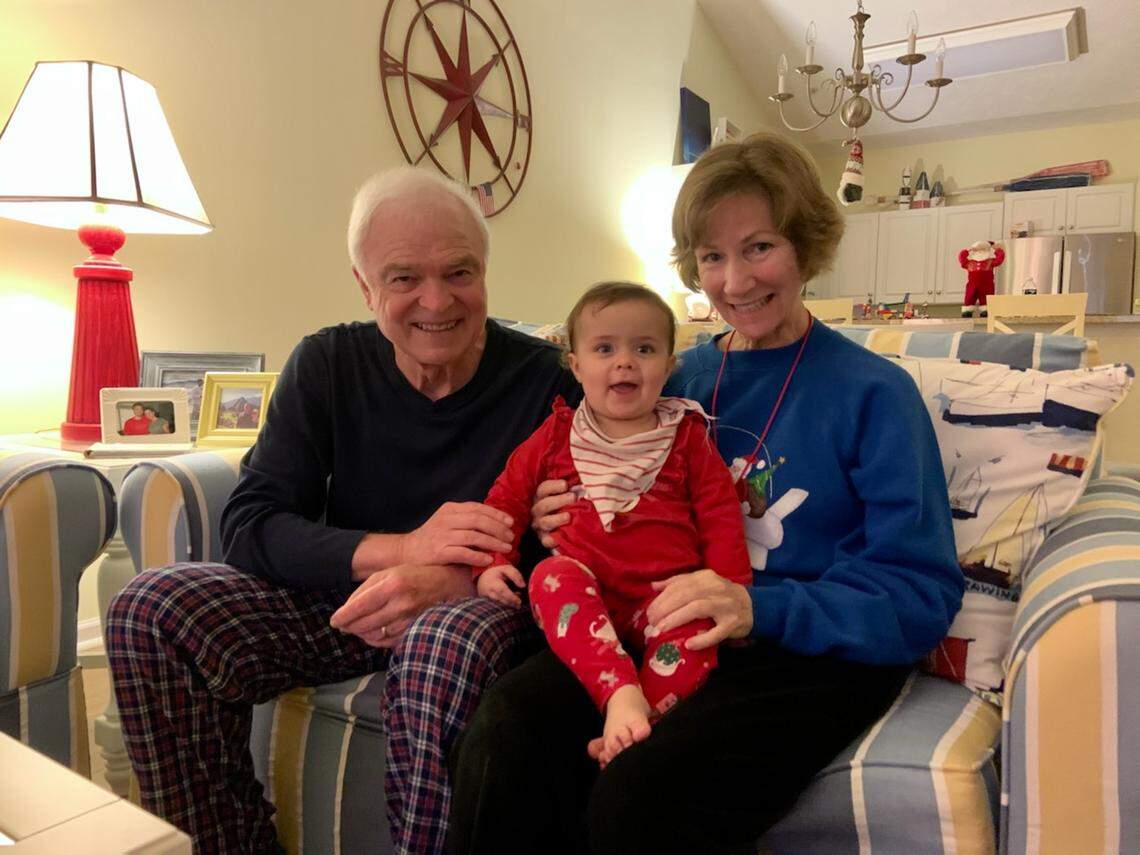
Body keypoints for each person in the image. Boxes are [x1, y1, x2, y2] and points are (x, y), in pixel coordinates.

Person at [444, 132, 965, 854]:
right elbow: (577, 473)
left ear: (805, 245)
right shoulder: (669, 374)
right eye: (713, 257)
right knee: (506, 730)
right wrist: (546, 516)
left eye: (759, 247)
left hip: (809, 651)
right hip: (650, 619)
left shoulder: (875, 393)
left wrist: (757, 605)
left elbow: (920, 591)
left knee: (639, 791)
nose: (736, 280)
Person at [103, 166, 580, 853]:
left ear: (486, 271)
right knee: (150, 607)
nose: (435, 300)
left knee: (441, 642)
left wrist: (457, 578)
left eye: (459, 272)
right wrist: (406, 549)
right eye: (403, 277)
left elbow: (572, 546)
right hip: (342, 605)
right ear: (364, 285)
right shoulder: (327, 362)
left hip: (478, 615)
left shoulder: (548, 382)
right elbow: (252, 524)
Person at [475, 282, 751, 765]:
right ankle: (620, 695)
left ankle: (638, 733)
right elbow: (508, 497)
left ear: (668, 366)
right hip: (586, 600)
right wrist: (495, 560)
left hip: (666, 597)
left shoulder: (686, 435)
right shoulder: (557, 432)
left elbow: (720, 516)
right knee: (550, 575)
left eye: (644, 349)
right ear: (576, 365)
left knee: (699, 626)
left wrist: (732, 591)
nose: (624, 362)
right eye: (604, 349)